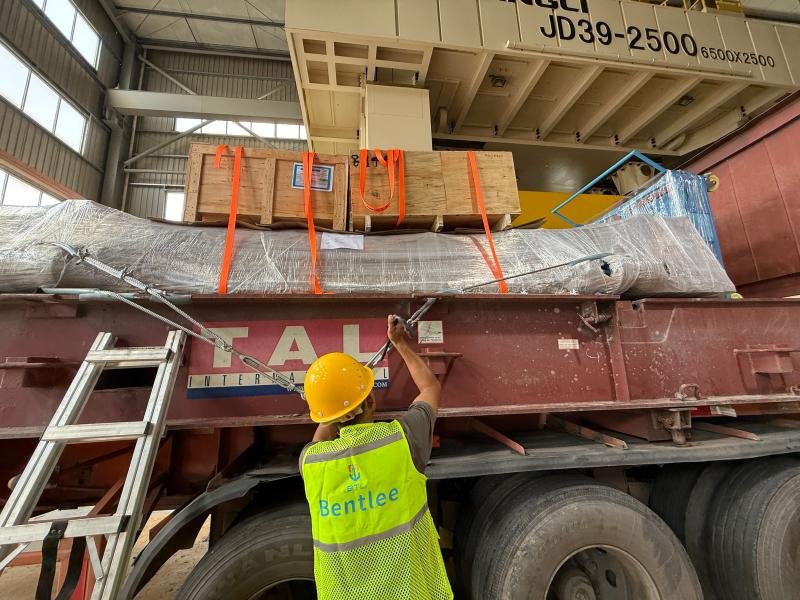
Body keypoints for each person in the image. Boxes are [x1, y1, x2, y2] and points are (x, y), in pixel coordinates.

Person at [299, 314, 453, 600]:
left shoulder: (312, 463)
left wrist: (333, 402)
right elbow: (430, 388)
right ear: (370, 400)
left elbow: (322, 432)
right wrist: (399, 343)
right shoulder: (403, 440)